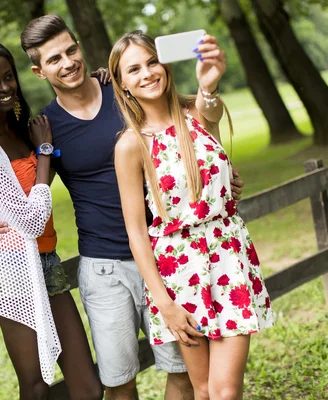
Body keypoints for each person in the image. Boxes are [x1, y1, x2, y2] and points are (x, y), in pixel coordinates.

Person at [0, 15, 244, 400]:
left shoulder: (125, 94)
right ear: (38, 70)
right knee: (118, 382)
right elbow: (24, 191)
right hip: (105, 269)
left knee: (183, 372)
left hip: (169, 257)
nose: (68, 62)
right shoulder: (45, 128)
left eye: (71, 50)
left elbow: (189, 126)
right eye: (54, 59)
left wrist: (223, 176)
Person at [110, 30, 274, 399]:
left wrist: (209, 85)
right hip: (179, 274)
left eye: (152, 62)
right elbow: (137, 233)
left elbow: (212, 115)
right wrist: (165, 305)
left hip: (227, 257)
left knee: (225, 390)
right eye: (133, 69)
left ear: (165, 63)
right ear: (122, 83)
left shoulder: (196, 112)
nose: (147, 73)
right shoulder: (130, 145)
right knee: (202, 389)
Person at [0, 40, 102, 400]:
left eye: (8, 77)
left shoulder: (29, 128)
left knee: (88, 387)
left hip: (48, 262)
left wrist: (100, 81)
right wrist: (43, 152)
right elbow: (30, 222)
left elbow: (47, 174)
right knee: (36, 386)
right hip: (12, 271)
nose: (4, 87)